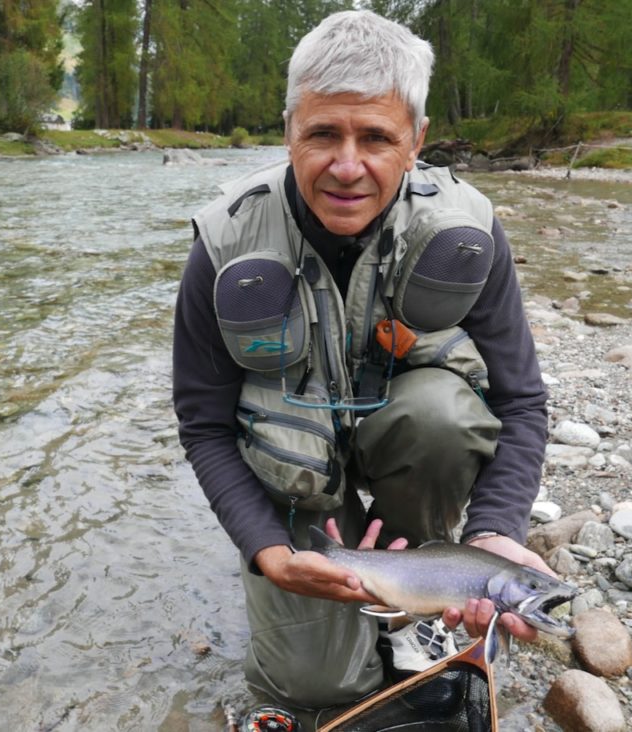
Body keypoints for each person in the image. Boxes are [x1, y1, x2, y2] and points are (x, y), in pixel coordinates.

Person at [172, 9, 553, 713]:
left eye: (376, 137)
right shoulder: (225, 244)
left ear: (416, 141)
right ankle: (343, 582)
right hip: (295, 484)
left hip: (409, 450)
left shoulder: (467, 234)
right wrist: (266, 550)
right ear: (289, 128)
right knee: (319, 689)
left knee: (442, 413)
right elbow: (202, 424)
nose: (347, 166)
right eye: (322, 134)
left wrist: (495, 535)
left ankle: (421, 583)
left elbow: (520, 401)